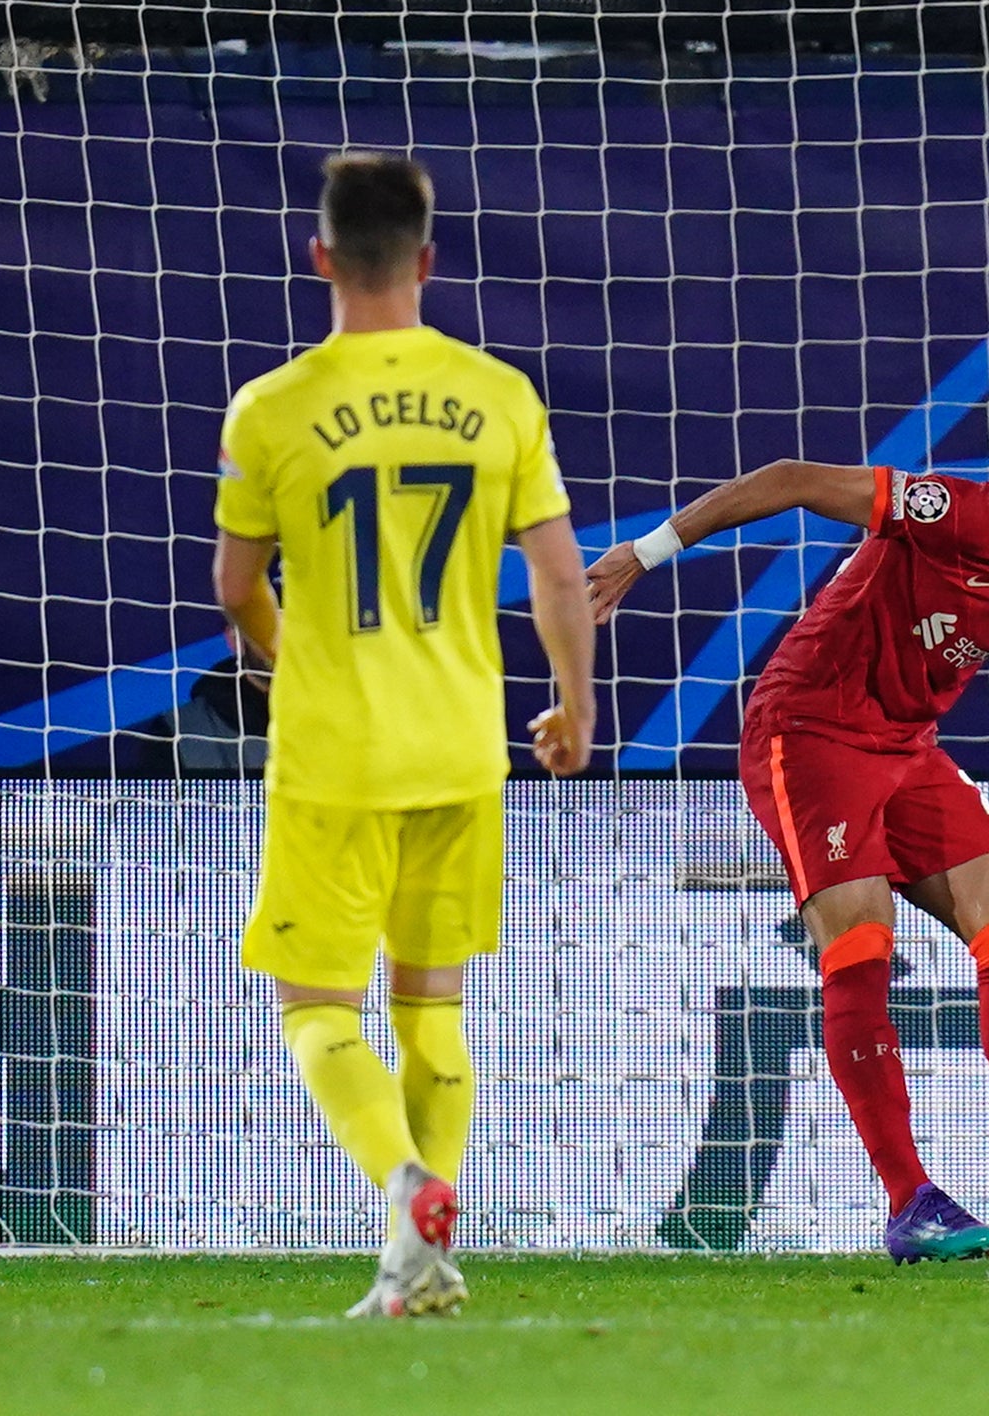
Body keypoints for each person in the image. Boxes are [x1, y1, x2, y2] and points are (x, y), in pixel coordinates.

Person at [586, 398, 989, 1262]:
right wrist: (646, 552)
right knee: (862, 946)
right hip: (810, 730)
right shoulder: (958, 512)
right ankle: (912, 1205)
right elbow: (789, 482)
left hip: (908, 749)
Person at [213, 151, 596, 1317]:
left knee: (315, 1008)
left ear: (320, 257)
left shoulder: (271, 408)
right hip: (460, 744)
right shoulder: (500, 395)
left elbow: (236, 586)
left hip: (334, 748)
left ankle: (405, 1184)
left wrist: (293, 657)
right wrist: (576, 704)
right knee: (432, 1008)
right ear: (428, 261)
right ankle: (423, 1260)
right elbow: (559, 571)